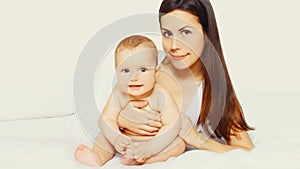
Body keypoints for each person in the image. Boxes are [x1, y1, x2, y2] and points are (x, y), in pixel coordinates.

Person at [117, 0, 255, 164]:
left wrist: (197, 139)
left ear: (206, 34)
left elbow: (246, 150)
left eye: (186, 32)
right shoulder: (147, 64)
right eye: (167, 34)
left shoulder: (213, 90)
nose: (174, 45)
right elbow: (105, 105)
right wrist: (121, 120)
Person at [74, 35, 185, 166]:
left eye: (142, 70)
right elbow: (106, 119)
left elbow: (172, 125)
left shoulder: (161, 95)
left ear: (156, 73)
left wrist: (150, 147)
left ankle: (142, 160)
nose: (134, 77)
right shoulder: (119, 93)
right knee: (103, 137)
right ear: (117, 73)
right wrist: (116, 138)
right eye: (125, 70)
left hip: (153, 142)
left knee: (179, 144)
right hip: (125, 141)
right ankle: (98, 157)